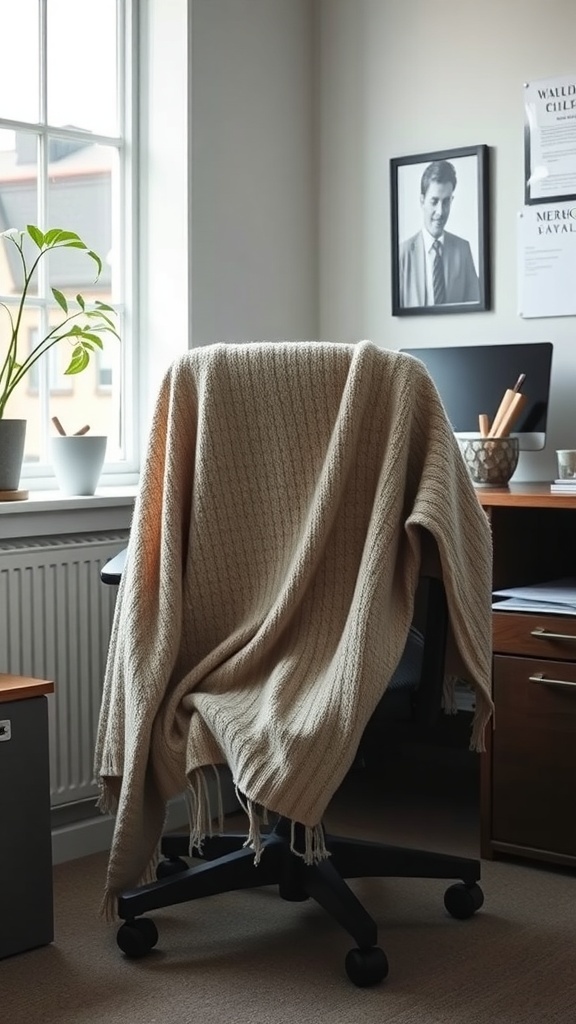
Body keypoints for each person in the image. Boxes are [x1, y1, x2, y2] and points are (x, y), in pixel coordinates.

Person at [398, 160, 480, 308]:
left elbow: (476, 306)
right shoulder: (402, 254)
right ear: (422, 201)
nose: (440, 212)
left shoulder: (463, 250)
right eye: (434, 201)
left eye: (446, 202)